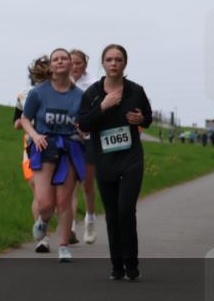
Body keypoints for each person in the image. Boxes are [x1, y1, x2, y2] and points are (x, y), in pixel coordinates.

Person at [77, 45, 152, 281]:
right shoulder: (92, 93)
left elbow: (148, 118)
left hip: (131, 158)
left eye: (118, 59)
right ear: (103, 63)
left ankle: (132, 263)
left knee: (126, 209)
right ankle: (117, 265)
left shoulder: (136, 91)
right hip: (105, 159)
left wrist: (141, 119)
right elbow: (83, 124)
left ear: (124, 63)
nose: (113, 63)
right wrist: (103, 106)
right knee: (112, 214)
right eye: (109, 59)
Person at [20, 48, 86, 262]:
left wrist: (83, 131)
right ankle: (43, 220)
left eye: (64, 58)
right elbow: (25, 119)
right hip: (44, 146)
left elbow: (84, 123)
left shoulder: (80, 96)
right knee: (45, 203)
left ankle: (64, 246)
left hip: (69, 147)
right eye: (55, 59)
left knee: (64, 201)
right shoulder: (38, 92)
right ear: (50, 66)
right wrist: (34, 135)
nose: (60, 62)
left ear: (71, 64)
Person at [13, 55, 52, 253]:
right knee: (37, 190)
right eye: (38, 75)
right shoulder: (23, 95)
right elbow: (15, 123)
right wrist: (24, 122)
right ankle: (42, 238)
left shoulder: (60, 93)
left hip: (55, 147)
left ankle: (46, 224)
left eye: (45, 75)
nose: (41, 79)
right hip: (31, 148)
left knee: (50, 194)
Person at [70, 49, 97, 244]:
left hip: (88, 138)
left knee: (87, 184)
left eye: (78, 63)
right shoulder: (61, 82)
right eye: (71, 63)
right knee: (70, 184)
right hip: (70, 138)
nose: (74, 66)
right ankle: (70, 227)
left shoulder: (93, 84)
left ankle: (90, 219)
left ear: (85, 65)